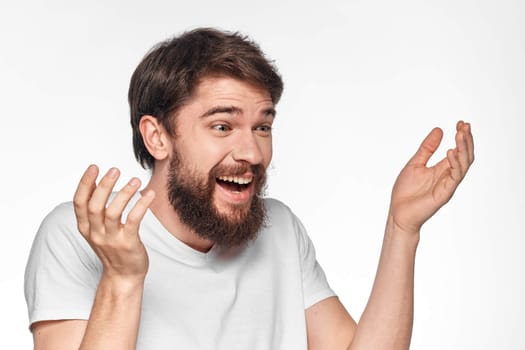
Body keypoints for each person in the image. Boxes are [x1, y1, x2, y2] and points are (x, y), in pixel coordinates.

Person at [24, 28, 474, 350]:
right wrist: (122, 279)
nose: (253, 153)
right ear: (157, 136)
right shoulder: (79, 235)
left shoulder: (278, 229)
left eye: (262, 126)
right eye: (223, 125)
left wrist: (402, 229)